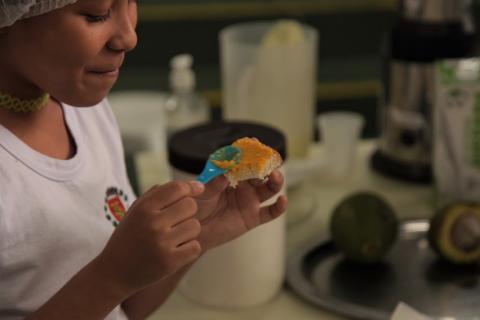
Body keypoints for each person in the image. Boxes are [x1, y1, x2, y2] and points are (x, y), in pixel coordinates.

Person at [0, 1, 287, 319]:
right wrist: (112, 275)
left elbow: (125, 308)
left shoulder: (86, 111)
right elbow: (111, 283)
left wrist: (194, 233)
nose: (129, 37)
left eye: (131, 2)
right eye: (97, 15)